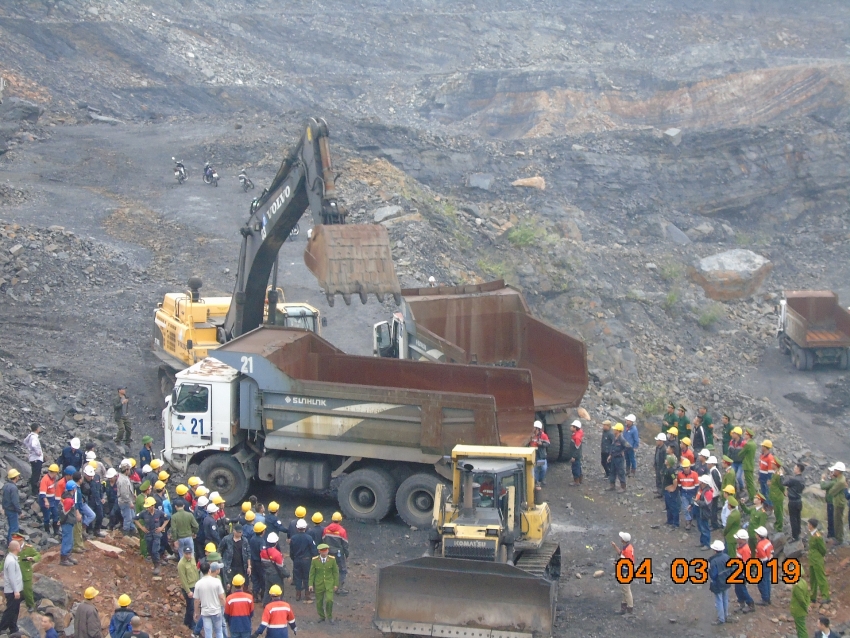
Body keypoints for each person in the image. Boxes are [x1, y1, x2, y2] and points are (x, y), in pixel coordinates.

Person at [194, 561, 227, 638]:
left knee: (208, 633)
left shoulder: (198, 584)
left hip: (205, 612)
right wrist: (226, 607)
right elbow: (222, 597)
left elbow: (196, 600)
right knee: (219, 631)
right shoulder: (217, 581)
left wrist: (196, 612)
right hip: (216, 611)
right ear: (209, 570)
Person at [135, 496, 166, 575]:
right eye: (147, 507)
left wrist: (162, 527)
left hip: (156, 534)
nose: (148, 508)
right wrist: (142, 528)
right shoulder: (144, 513)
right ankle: (154, 563)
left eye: (149, 507)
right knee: (150, 550)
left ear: (153, 506)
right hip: (148, 535)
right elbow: (135, 519)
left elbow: (167, 518)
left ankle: (157, 566)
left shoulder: (159, 512)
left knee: (155, 550)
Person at [309, 543, 339, 623]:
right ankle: (321, 616)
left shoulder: (332, 559)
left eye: (326, 550)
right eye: (322, 551)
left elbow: (335, 572)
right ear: (319, 551)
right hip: (319, 584)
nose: (325, 552)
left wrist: (336, 584)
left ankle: (329, 616)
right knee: (319, 601)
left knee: (329, 600)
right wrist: (310, 584)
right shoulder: (314, 560)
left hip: (329, 583)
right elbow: (312, 573)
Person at [290, 518, 317, 602]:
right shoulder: (309, 538)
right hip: (306, 560)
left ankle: (298, 595)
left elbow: (291, 551)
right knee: (307, 578)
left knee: (298, 577)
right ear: (305, 528)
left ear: (297, 528)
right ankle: (307, 594)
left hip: (297, 560)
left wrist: (294, 559)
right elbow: (313, 550)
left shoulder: (293, 538)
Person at [820, 462, 847, 545]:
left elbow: (831, 491)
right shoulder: (840, 479)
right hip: (837, 502)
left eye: (835, 470)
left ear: (838, 471)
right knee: (836, 520)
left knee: (838, 521)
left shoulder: (840, 481)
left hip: (839, 503)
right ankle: (837, 537)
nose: (834, 471)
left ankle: (839, 539)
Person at [322, 512, 349, 594]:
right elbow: (345, 545)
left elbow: (323, 540)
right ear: (340, 520)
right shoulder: (342, 531)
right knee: (342, 570)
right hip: (338, 553)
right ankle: (339, 588)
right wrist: (347, 554)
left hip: (328, 552)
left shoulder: (326, 529)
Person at [12, 533, 39, 613]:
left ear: (21, 540)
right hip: (15, 574)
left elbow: (38, 555)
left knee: (27, 591)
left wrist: (33, 558)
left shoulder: (28, 548)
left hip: (25, 574)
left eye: (17, 541)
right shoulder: (12, 548)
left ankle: (31, 605)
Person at [260, 532, 290, 605]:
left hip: (267, 573)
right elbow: (281, 567)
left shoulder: (263, 552)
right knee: (279, 589)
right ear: (276, 542)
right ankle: (278, 604)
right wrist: (288, 575)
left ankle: (265, 603)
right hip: (276, 575)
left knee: (268, 589)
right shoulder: (277, 554)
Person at [220, 523, 250, 592]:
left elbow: (248, 553)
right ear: (234, 531)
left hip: (241, 567)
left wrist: (249, 566)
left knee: (242, 583)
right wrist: (222, 562)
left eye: (241, 532)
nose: (240, 534)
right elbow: (220, 550)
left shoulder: (244, 541)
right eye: (238, 532)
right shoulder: (226, 539)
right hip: (229, 566)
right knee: (228, 585)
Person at [0, 540, 22, 633]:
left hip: (13, 589)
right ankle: (2, 628)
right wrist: (16, 590)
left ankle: (13, 627)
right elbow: (12, 577)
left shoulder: (11, 558)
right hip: (12, 590)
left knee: (15, 609)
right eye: (19, 546)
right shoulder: (11, 561)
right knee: (10, 610)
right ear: (17, 548)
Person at [708, 539, 731, 625]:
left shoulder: (713, 561)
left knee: (719, 600)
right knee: (725, 598)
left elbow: (713, 575)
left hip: (718, 583)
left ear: (715, 550)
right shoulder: (727, 557)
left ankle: (721, 619)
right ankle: (726, 615)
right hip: (727, 580)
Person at [807, 518, 829, 605]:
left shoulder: (817, 536)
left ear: (811, 525)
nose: (808, 526)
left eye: (808, 524)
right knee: (813, 579)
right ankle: (813, 596)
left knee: (821, 578)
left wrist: (820, 556)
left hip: (817, 560)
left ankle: (826, 596)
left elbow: (823, 549)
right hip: (812, 560)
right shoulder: (812, 535)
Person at [224, 574, 254, 638]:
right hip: (246, 625)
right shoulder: (249, 597)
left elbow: (226, 614)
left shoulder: (229, 598)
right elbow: (251, 613)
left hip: (234, 626)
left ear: (234, 585)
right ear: (243, 585)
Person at [732, 529, 755, 614]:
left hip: (742, 572)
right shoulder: (740, 547)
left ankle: (750, 604)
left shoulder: (745, 549)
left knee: (742, 588)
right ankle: (741, 603)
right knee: (737, 588)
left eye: (738, 538)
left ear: (742, 539)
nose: (737, 539)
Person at [782, 462, 806, 541]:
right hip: (799, 501)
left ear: (798, 469)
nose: (794, 469)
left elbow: (784, 483)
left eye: (795, 468)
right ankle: (798, 532)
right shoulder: (802, 479)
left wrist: (781, 475)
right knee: (798, 517)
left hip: (792, 501)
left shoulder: (794, 479)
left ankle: (794, 536)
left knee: (793, 519)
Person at [178, 546, 200, 630]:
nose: (188, 555)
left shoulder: (193, 559)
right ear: (183, 553)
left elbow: (196, 572)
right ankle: (192, 625)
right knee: (192, 607)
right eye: (186, 554)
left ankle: (186, 621)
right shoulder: (181, 564)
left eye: (189, 553)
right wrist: (188, 591)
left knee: (190, 606)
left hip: (195, 585)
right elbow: (183, 579)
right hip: (189, 588)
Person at [612, 532, 634, 615]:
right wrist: (615, 546)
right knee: (624, 590)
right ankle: (624, 608)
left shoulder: (627, 550)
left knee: (626, 590)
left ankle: (630, 609)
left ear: (623, 540)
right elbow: (621, 554)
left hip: (626, 573)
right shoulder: (627, 547)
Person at [59, 485, 81, 566]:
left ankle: (68, 555)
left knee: (70, 540)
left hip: (69, 522)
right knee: (67, 540)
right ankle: (64, 558)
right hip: (67, 522)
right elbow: (65, 513)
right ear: (73, 489)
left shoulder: (67, 497)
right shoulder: (69, 500)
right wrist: (61, 521)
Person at [606, 423, 629, 492]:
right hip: (613, 457)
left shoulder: (622, 439)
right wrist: (610, 455)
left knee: (620, 472)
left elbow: (628, 447)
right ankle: (612, 485)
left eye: (615, 429)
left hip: (619, 459)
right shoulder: (614, 437)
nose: (613, 430)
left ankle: (623, 487)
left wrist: (622, 452)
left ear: (618, 430)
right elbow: (612, 447)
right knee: (612, 471)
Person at [38, 463, 60, 535]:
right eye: (56, 473)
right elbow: (42, 493)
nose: (56, 474)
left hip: (52, 500)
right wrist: (46, 502)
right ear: (53, 472)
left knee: (55, 514)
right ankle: (47, 531)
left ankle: (56, 531)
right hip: (46, 501)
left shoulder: (53, 479)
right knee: (46, 517)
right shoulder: (45, 480)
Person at [693, 475, 714, 550]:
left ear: (704, 483)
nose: (699, 482)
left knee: (705, 528)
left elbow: (707, 504)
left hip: (704, 513)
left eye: (701, 481)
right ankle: (702, 542)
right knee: (700, 527)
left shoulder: (708, 492)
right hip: (699, 511)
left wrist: (697, 502)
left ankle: (707, 544)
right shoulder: (701, 489)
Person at [2, 468, 22, 544]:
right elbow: (15, 501)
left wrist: (3, 508)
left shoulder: (6, 486)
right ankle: (12, 545)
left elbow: (3, 498)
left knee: (11, 527)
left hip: (7, 509)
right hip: (12, 510)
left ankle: (9, 542)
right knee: (14, 528)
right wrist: (19, 512)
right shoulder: (13, 488)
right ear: (16, 477)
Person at [677, 458, 698, 531]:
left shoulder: (694, 475)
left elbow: (697, 486)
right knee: (685, 508)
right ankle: (688, 521)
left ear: (690, 467)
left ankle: (690, 519)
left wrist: (695, 496)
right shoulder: (680, 475)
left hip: (692, 494)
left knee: (691, 508)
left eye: (687, 467)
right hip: (684, 494)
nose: (686, 469)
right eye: (684, 467)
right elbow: (679, 485)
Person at [754, 526, 773, 605]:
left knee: (762, 583)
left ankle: (765, 599)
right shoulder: (768, 542)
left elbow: (763, 558)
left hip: (763, 564)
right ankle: (768, 598)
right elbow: (772, 552)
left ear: (759, 535)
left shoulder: (760, 545)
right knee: (767, 581)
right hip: (769, 563)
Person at [117, 460, 136, 535]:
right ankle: (126, 533)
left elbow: (128, 490)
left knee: (132, 517)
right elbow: (124, 494)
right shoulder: (123, 480)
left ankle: (132, 530)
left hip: (127, 501)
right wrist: (130, 502)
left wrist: (133, 495)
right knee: (128, 518)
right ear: (126, 469)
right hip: (125, 502)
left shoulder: (124, 477)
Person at [22, 424, 43, 494]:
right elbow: (34, 445)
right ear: (37, 429)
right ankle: (34, 490)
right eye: (39, 427)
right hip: (36, 458)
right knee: (36, 474)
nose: (40, 428)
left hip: (32, 458)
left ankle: (33, 487)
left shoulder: (30, 435)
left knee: (34, 473)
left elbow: (25, 441)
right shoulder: (34, 437)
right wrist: (37, 452)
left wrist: (29, 448)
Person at [249, 522, 267, 602]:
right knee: (262, 578)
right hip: (260, 562)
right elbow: (262, 552)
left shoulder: (252, 538)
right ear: (262, 531)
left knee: (255, 578)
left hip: (253, 561)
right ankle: (262, 595)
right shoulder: (261, 541)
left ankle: (255, 595)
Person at [529, 420, 550, 489]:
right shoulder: (530, 435)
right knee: (535, 469)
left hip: (540, 455)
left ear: (537, 428)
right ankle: (537, 482)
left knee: (543, 468)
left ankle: (541, 479)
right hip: (532, 454)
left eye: (534, 427)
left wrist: (542, 444)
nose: (533, 428)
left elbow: (548, 443)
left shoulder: (543, 436)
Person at [758, 439, 777, 507]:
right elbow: (760, 467)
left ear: (765, 447)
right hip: (762, 477)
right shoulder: (762, 455)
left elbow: (770, 471)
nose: (761, 447)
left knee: (768, 492)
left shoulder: (770, 458)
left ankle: (770, 506)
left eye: (763, 446)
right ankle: (765, 504)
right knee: (763, 491)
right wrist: (759, 477)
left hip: (766, 478)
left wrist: (769, 480)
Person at [740, 429, 757, 503]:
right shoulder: (753, 443)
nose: (744, 435)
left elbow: (741, 453)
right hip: (751, 464)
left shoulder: (748, 444)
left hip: (747, 464)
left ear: (748, 435)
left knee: (749, 483)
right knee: (750, 482)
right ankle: (752, 497)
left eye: (746, 434)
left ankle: (752, 498)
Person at [662, 455, 680, 527]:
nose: (665, 460)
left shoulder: (671, 471)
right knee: (668, 506)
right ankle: (669, 520)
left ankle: (675, 523)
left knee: (673, 506)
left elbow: (675, 480)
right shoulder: (667, 469)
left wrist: (673, 488)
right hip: (666, 491)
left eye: (667, 460)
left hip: (670, 492)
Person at [769, 458, 786, 532]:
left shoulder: (779, 474)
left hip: (778, 496)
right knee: (776, 511)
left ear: (775, 465)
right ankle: (777, 524)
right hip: (774, 495)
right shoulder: (775, 473)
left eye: (772, 463)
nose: (771, 464)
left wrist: (783, 492)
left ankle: (779, 527)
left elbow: (781, 485)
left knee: (779, 512)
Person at [707, 456, 723, 530]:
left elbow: (717, 483)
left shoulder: (714, 471)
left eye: (709, 463)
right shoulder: (713, 470)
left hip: (714, 494)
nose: (708, 465)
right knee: (713, 509)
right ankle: (714, 523)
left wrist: (718, 491)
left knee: (713, 510)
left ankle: (714, 524)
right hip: (714, 493)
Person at [566, 420, 583, 485]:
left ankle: (576, 481)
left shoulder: (577, 437)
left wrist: (574, 457)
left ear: (575, 428)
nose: (570, 427)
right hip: (576, 455)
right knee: (578, 466)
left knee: (575, 468)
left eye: (572, 426)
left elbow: (577, 448)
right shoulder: (577, 434)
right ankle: (580, 479)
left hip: (575, 456)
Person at [653, 433, 667, 498]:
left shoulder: (664, 449)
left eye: (657, 440)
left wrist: (663, 469)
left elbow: (665, 460)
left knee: (661, 480)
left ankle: (661, 493)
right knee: (657, 478)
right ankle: (658, 490)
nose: (656, 441)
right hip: (657, 466)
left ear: (661, 441)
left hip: (661, 467)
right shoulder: (658, 447)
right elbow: (656, 455)